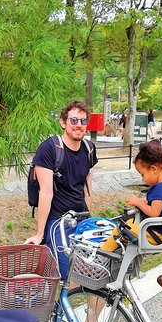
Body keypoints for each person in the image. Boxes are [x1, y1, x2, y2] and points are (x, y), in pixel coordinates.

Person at [25, 100, 98, 277]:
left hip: (81, 218)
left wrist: (89, 218)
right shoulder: (49, 149)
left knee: (96, 272)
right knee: (70, 273)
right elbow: (46, 193)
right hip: (58, 221)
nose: (79, 125)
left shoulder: (89, 149)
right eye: (73, 120)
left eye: (83, 121)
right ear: (63, 122)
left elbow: (87, 189)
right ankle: (67, 301)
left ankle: (86, 303)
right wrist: (39, 234)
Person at [100, 140, 162, 253]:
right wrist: (144, 202)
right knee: (128, 224)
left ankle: (102, 253)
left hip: (157, 235)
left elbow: (154, 213)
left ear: (153, 169)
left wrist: (138, 203)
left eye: (142, 174)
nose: (142, 179)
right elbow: (161, 207)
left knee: (120, 229)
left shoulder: (159, 188)